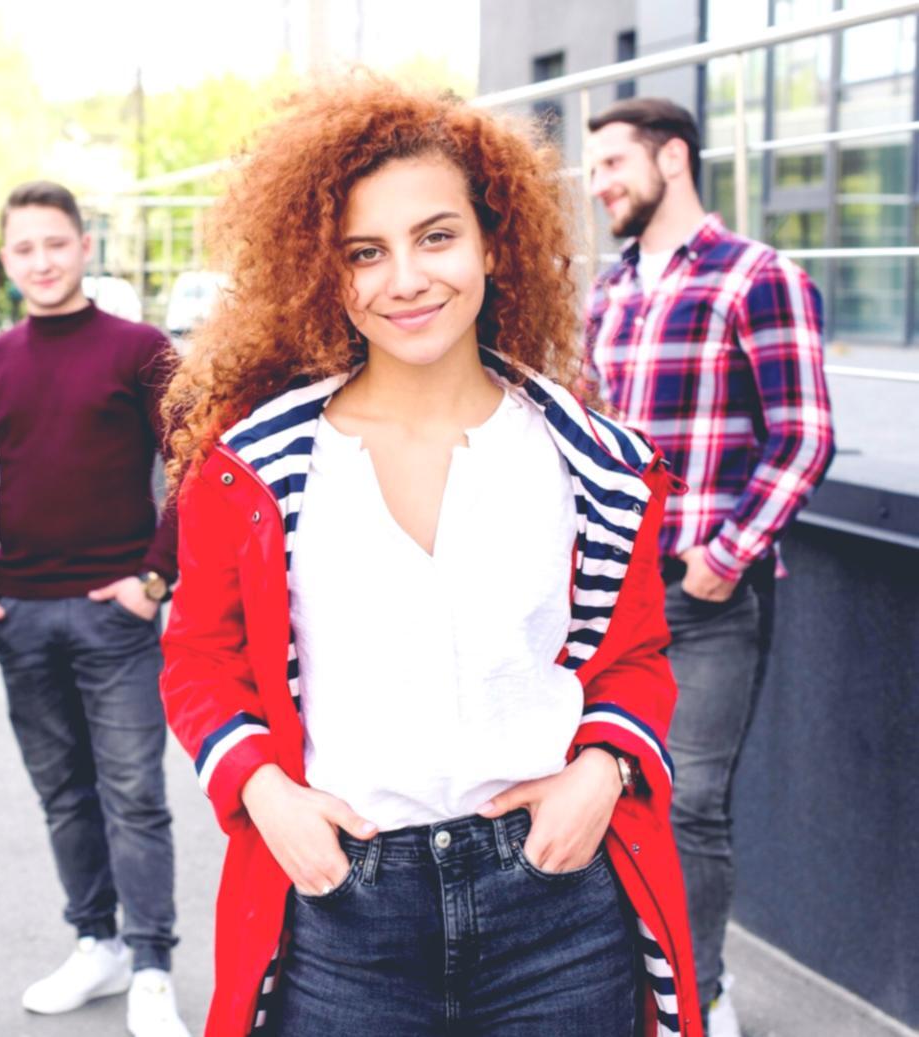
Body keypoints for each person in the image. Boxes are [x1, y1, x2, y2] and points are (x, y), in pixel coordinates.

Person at [159, 78, 704, 1037]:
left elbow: (638, 657)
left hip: (559, 905)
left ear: (494, 242)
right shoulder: (253, 469)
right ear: (327, 272)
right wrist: (265, 793)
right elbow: (200, 658)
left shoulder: (591, 462)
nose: (405, 278)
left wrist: (602, 773)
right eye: (365, 253)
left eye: (436, 236)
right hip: (344, 909)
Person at [585, 97, 836, 1036]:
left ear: (674, 159)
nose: (600, 182)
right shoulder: (606, 295)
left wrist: (723, 559)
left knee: (689, 809)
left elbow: (803, 436)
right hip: (611, 595)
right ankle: (630, 990)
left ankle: (700, 996)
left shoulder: (759, 278)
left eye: (614, 162)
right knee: (609, 798)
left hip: (703, 599)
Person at [0, 181, 188, 1037]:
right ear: (7, 263)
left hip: (117, 617)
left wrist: (155, 580)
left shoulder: (141, 349)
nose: (41, 261)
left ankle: (152, 962)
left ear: (86, 247)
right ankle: (98, 943)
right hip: (21, 616)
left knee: (132, 792)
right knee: (64, 795)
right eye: (23, 249)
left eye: (56, 243)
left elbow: (196, 464)